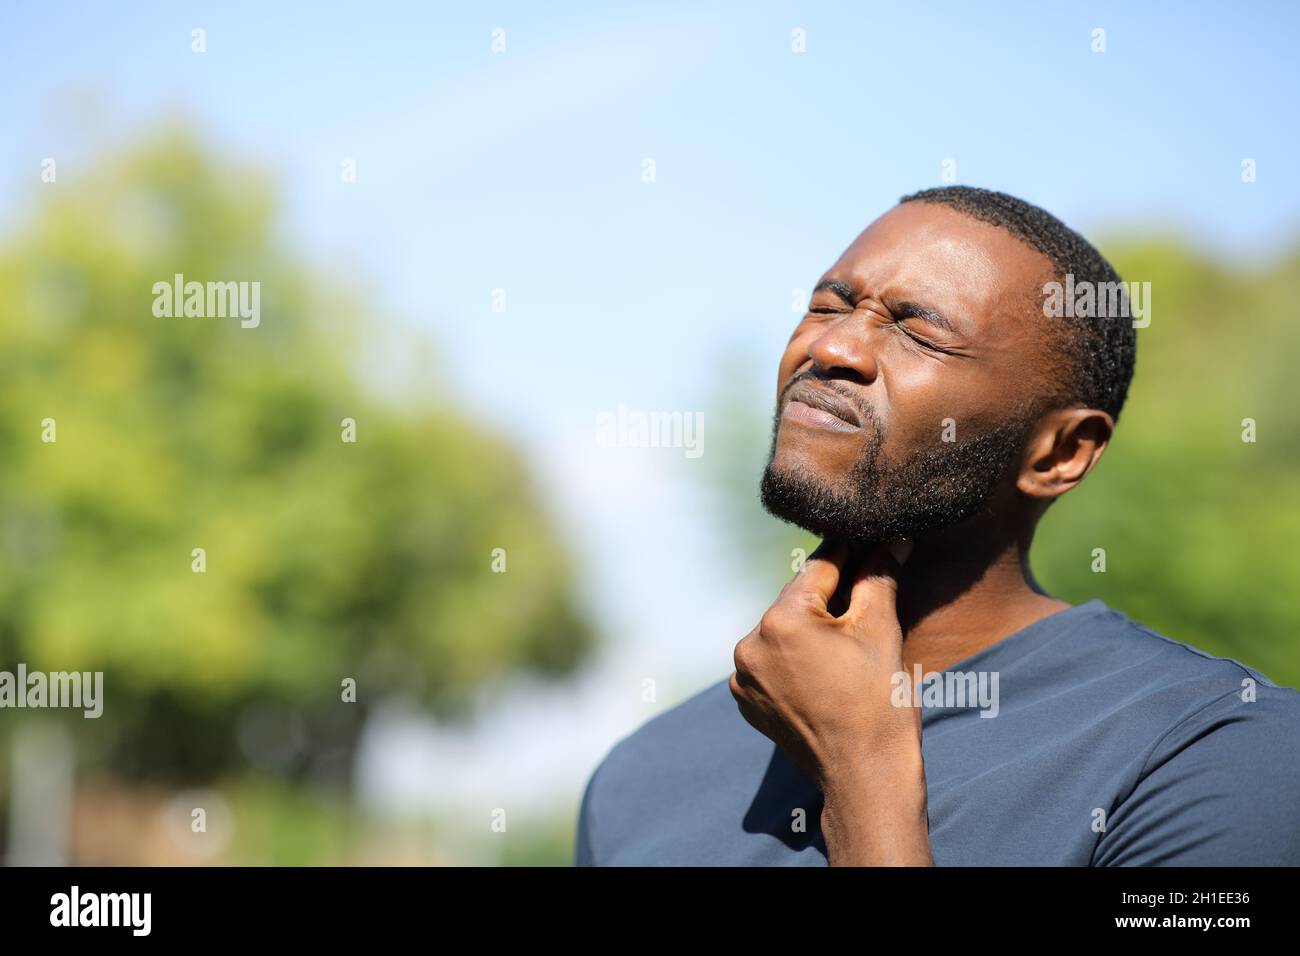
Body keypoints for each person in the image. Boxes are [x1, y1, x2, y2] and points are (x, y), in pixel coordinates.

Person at [574, 186, 1300, 866]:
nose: (833, 350)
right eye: (830, 305)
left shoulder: (1214, 753)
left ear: (1058, 453)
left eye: (919, 334)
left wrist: (862, 766)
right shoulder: (639, 779)